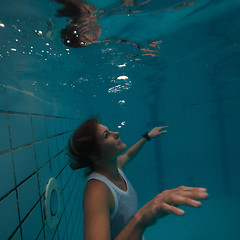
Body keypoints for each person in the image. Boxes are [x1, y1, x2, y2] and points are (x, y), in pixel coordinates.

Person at [68, 118, 209, 240]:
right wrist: (141, 218)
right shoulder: (97, 191)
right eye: (107, 135)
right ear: (95, 154)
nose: (116, 133)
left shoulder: (115, 166)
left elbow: (129, 155)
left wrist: (147, 136)